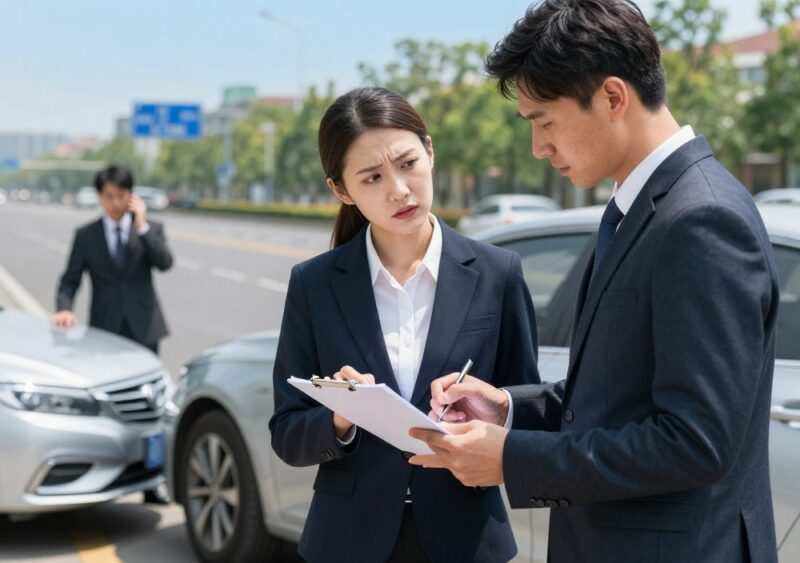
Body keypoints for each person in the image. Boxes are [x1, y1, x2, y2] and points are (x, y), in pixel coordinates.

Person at [408, 2, 780, 562]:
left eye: (544, 121)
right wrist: (507, 409)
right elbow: (620, 397)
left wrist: (510, 457)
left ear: (612, 97)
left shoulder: (701, 219)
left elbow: (695, 443)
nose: (538, 147)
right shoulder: (642, 209)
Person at [269, 87, 540, 563]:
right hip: (348, 542)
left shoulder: (499, 274)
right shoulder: (313, 284)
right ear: (341, 190)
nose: (398, 188)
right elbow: (287, 434)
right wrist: (340, 415)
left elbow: (528, 415)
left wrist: (489, 422)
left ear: (430, 152)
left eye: (407, 163)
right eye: (372, 177)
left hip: (468, 539)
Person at [51, 164, 173, 354]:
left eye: (121, 196)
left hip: (145, 326)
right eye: (109, 196)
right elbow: (70, 280)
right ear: (100, 197)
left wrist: (142, 226)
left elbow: (165, 263)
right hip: (104, 327)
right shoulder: (86, 235)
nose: (115, 203)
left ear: (131, 196)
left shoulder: (150, 229)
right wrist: (64, 309)